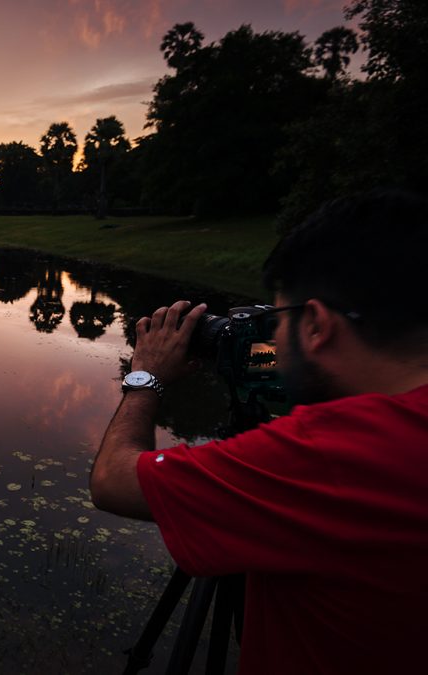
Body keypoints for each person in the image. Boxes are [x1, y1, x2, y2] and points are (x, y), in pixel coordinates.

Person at [90, 189, 428, 674]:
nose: (270, 342)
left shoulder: (326, 456)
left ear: (315, 325)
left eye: (279, 319)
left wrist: (146, 375)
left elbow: (112, 481)